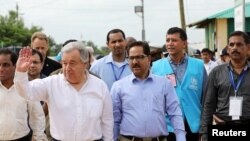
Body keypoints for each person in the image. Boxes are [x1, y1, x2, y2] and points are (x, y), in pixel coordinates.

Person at [14, 41, 114, 141]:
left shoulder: (99, 86)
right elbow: (26, 92)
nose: (67, 68)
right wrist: (20, 72)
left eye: (72, 63)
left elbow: (107, 121)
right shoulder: (52, 83)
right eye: (64, 63)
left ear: (85, 64)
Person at [111, 41, 186, 141]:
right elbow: (114, 119)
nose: (134, 62)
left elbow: (175, 113)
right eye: (131, 58)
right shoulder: (119, 86)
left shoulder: (164, 84)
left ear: (149, 59)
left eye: (139, 57)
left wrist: (181, 137)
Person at [151, 27, 207, 141]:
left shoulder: (199, 65)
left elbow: (206, 97)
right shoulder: (156, 67)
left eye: (174, 40)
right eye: (168, 40)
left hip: (193, 124)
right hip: (168, 126)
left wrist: (205, 124)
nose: (170, 43)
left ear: (184, 43)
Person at [199, 31, 250, 141]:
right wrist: (204, 133)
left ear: (248, 48)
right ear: (227, 48)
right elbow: (208, 105)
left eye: (239, 44)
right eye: (231, 45)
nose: (234, 48)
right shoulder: (216, 72)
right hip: (222, 128)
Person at [0, 48, 47, 141]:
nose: (1, 69)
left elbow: (37, 116)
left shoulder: (26, 89)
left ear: (15, 66)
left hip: (23, 138)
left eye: (5, 65)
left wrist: (39, 137)